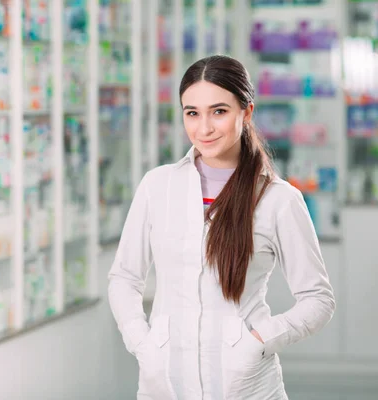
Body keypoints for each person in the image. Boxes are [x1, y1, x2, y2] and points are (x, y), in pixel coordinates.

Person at [108, 55, 336, 400]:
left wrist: (258, 341)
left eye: (219, 111)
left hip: (246, 387)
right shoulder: (157, 186)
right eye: (192, 113)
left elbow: (318, 299)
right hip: (164, 385)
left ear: (246, 113)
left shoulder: (278, 199)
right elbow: (124, 277)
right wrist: (142, 342)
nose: (204, 128)